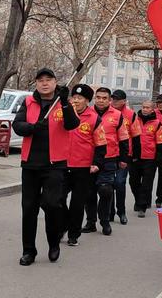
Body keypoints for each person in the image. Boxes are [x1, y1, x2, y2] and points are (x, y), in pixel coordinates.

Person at [12, 68, 79, 266]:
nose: (44, 83)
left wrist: (66, 103)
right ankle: (28, 251)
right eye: (40, 80)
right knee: (29, 209)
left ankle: (53, 243)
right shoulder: (28, 102)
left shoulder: (63, 102)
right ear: (36, 84)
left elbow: (72, 125)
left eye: (48, 80)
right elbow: (18, 126)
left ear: (55, 82)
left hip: (55, 165)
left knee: (52, 205)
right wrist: (33, 128)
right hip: (31, 165)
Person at [83, 87, 129, 234]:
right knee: (88, 193)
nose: (101, 100)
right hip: (88, 159)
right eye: (98, 97)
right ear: (94, 99)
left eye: (104, 98)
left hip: (109, 159)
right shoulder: (86, 113)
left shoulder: (117, 115)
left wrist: (123, 158)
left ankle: (104, 221)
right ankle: (91, 222)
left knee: (105, 190)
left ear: (110, 100)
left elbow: (123, 138)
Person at [65, 84, 106, 244]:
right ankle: (63, 224)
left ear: (87, 101)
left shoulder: (94, 118)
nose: (76, 100)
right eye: (74, 97)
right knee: (56, 199)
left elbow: (101, 143)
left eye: (79, 98)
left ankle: (73, 235)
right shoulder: (64, 114)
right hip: (62, 164)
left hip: (83, 166)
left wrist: (97, 163)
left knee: (77, 202)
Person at [129, 100, 162, 217]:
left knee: (146, 183)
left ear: (152, 109)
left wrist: (158, 158)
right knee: (133, 181)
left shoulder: (157, 123)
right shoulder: (135, 120)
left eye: (148, 107)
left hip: (150, 158)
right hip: (135, 157)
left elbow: (160, 141)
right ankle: (138, 199)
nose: (145, 109)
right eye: (144, 107)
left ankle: (142, 206)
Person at [110, 89, 141, 221]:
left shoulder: (131, 115)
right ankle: (109, 213)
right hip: (109, 154)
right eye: (113, 99)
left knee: (120, 182)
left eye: (117, 99)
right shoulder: (106, 112)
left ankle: (121, 212)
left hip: (124, 154)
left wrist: (135, 155)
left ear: (124, 101)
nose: (114, 101)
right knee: (109, 184)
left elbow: (136, 136)